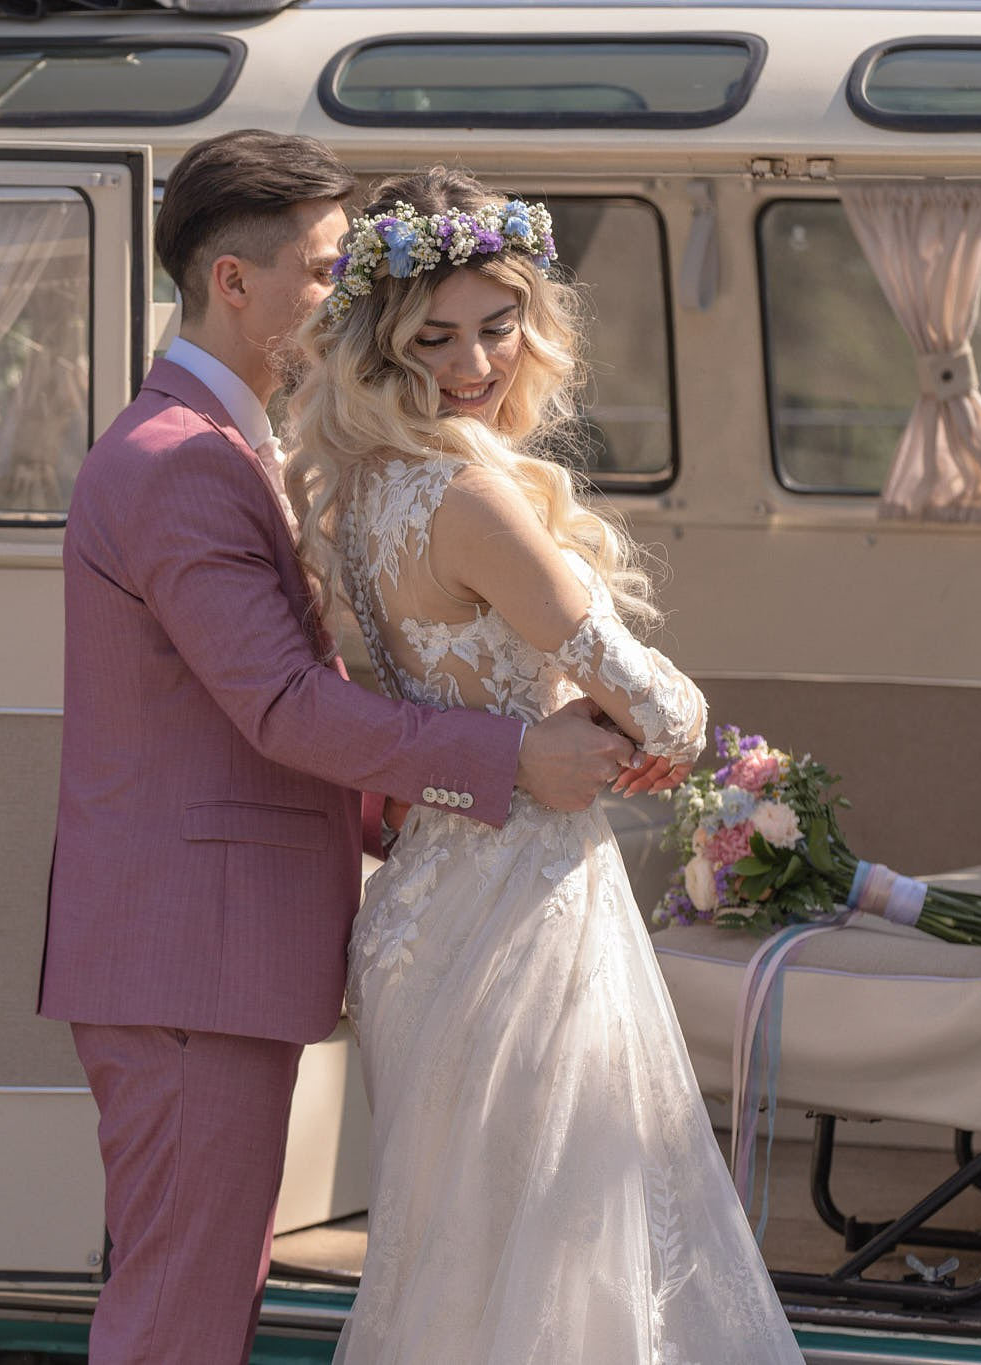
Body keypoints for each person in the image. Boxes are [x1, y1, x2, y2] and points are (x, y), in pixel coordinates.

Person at [39, 132, 656, 1365]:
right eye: (328, 270)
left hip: (212, 952)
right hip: (185, 960)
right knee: (179, 1308)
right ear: (232, 282)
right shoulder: (174, 464)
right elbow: (280, 707)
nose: (354, 294)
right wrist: (504, 761)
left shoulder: (231, 451)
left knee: (205, 1293)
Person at [286, 166, 803, 1362]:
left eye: (496, 325)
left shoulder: (357, 492)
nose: (473, 361)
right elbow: (662, 705)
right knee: (566, 1242)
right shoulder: (469, 497)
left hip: (421, 904)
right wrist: (641, 738)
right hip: (521, 903)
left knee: (460, 1256)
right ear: (380, 339)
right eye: (436, 336)